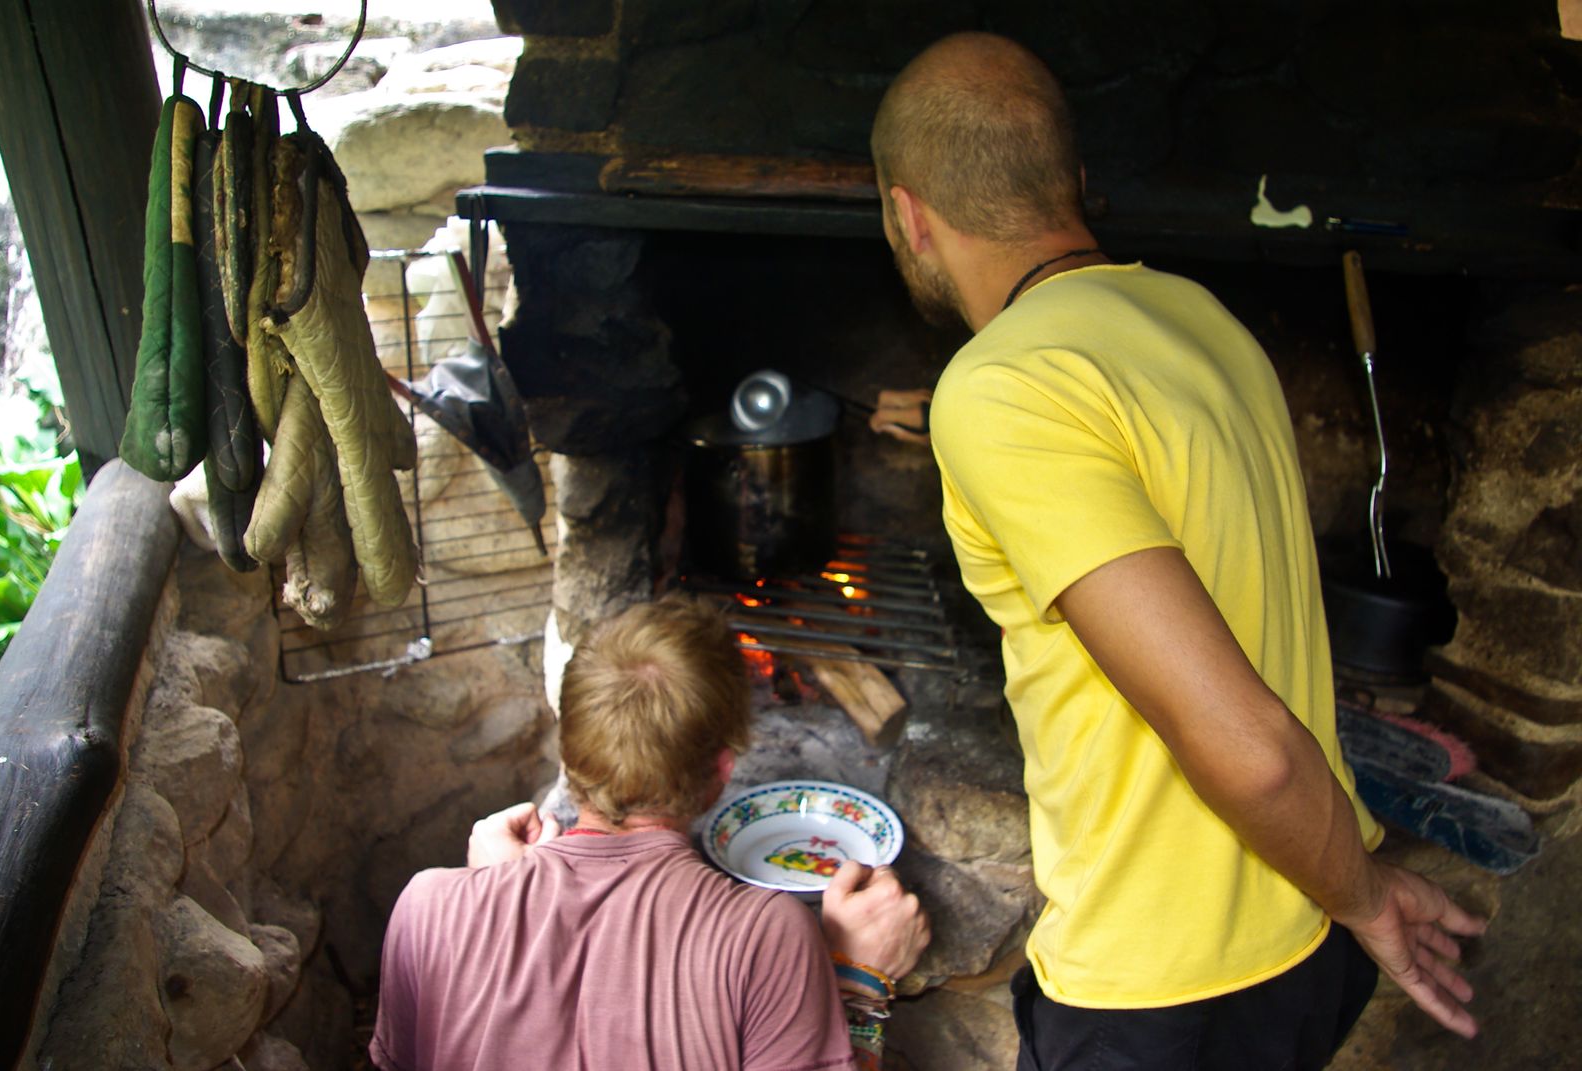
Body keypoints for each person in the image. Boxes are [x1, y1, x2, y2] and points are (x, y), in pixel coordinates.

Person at [867, 32, 1486, 1070]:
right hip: (1299, 945)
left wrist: (1373, 896)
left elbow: (1243, 746)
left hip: (1160, 992)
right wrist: (1349, 893)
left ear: (907, 215)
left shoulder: (1001, 383)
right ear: (1072, 182)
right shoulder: (1198, 318)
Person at [369, 594, 930, 1071]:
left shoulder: (426, 907)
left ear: (570, 751)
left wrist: (485, 893)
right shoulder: (765, 936)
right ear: (722, 770)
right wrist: (858, 983)